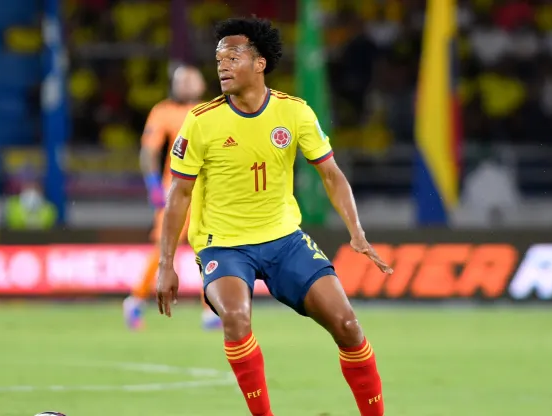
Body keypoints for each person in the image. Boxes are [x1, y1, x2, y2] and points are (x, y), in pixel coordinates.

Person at [156, 18, 393, 416]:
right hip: (225, 245)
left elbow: (331, 175)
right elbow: (179, 193)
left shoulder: (294, 113)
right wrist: (166, 264)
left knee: (349, 326)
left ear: (260, 63)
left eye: (233, 57)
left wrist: (357, 232)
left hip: (284, 239)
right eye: (218, 60)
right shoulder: (200, 121)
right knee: (235, 316)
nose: (222, 66)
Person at [122, 64, 222, 331]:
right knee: (165, 248)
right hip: (175, 189)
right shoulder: (163, 111)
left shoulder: (211, 111)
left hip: (206, 191)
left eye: (192, 80)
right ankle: (135, 299)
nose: (186, 85)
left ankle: (209, 310)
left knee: (209, 247)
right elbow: (148, 153)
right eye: (182, 81)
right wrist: (153, 185)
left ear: (201, 85)